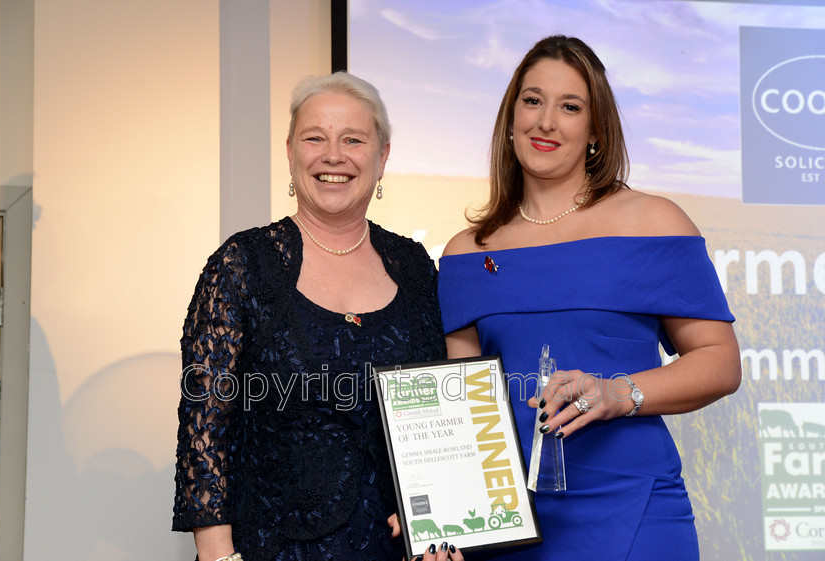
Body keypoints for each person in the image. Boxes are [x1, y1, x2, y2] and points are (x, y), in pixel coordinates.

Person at [438, 35, 741, 561]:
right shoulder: (467, 252)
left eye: (570, 107)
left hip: (634, 513)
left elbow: (720, 363)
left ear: (596, 129)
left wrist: (617, 394)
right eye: (532, 101)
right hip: (510, 529)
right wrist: (442, 515)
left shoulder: (653, 222)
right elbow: (461, 411)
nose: (546, 121)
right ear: (510, 119)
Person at [172, 72, 448, 561]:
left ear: (382, 157)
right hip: (272, 549)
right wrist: (219, 558)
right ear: (290, 151)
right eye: (314, 137)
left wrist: (439, 515)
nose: (333, 155)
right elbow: (204, 430)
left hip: (395, 548)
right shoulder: (244, 265)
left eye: (353, 140)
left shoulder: (415, 267)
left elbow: (435, 410)